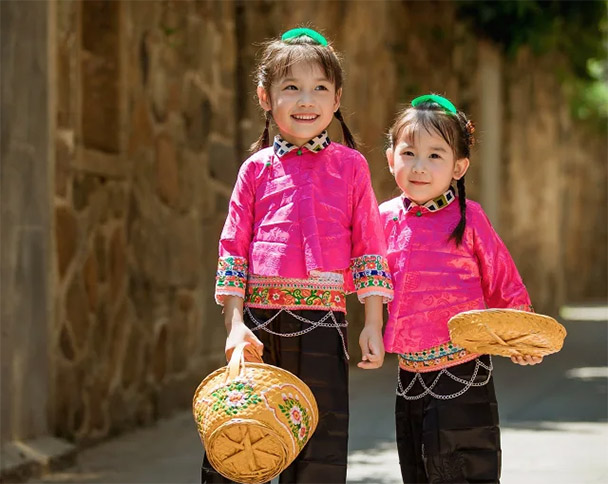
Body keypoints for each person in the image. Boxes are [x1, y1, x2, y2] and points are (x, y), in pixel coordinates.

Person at [202, 27, 394, 484]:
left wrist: (372, 322)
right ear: (264, 96)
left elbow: (369, 246)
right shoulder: (254, 169)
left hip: (325, 326)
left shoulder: (351, 167)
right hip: (258, 329)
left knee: (320, 441)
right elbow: (234, 249)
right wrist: (235, 326)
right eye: (291, 87)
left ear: (337, 98)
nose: (306, 100)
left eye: (320, 88)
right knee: (244, 438)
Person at [380, 94, 542, 484]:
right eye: (409, 153)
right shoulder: (382, 219)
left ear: (459, 166)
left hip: (465, 368)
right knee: (417, 469)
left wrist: (521, 335)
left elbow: (502, 279)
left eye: (435, 156)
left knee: (466, 470)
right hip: (410, 374)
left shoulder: (470, 220)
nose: (419, 167)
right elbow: (364, 276)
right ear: (391, 159)